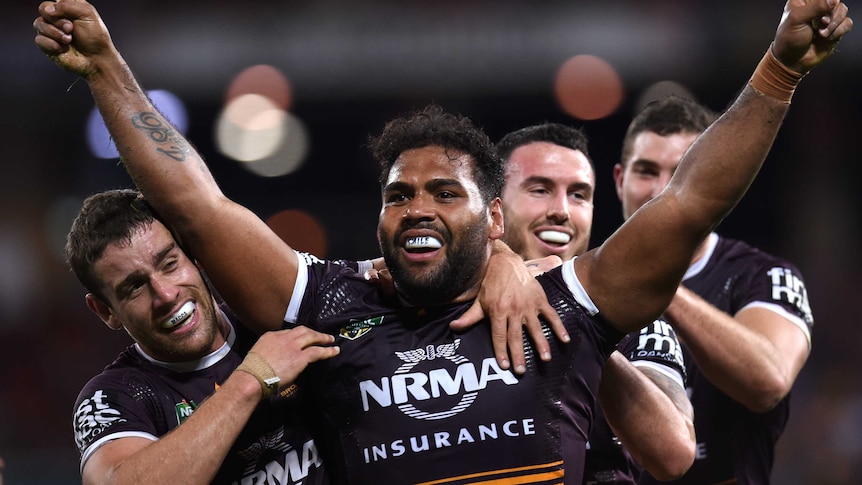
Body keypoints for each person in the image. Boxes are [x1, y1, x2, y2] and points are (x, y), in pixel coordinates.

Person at [35, 0, 851, 483]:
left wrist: (778, 71)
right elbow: (197, 203)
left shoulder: (563, 304)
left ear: (493, 218)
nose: (417, 207)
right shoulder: (327, 306)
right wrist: (106, 67)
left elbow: (689, 200)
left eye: (443, 192)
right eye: (399, 196)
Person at [65, 189, 337, 485]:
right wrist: (252, 379)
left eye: (170, 264)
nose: (166, 294)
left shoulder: (270, 318)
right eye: (135, 287)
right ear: (106, 311)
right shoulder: (113, 397)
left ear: (196, 256)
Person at [613, 95, 815, 484]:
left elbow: (768, 382)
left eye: (682, 172)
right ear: (621, 180)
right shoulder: (585, 286)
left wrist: (655, 282)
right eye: (646, 171)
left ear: (714, 181)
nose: (663, 192)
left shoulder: (762, 276)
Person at [494, 123, 694, 484]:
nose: (562, 211)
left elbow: (674, 454)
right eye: (540, 189)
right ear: (494, 206)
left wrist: (573, 318)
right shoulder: (456, 309)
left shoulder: (636, 324)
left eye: (578, 195)